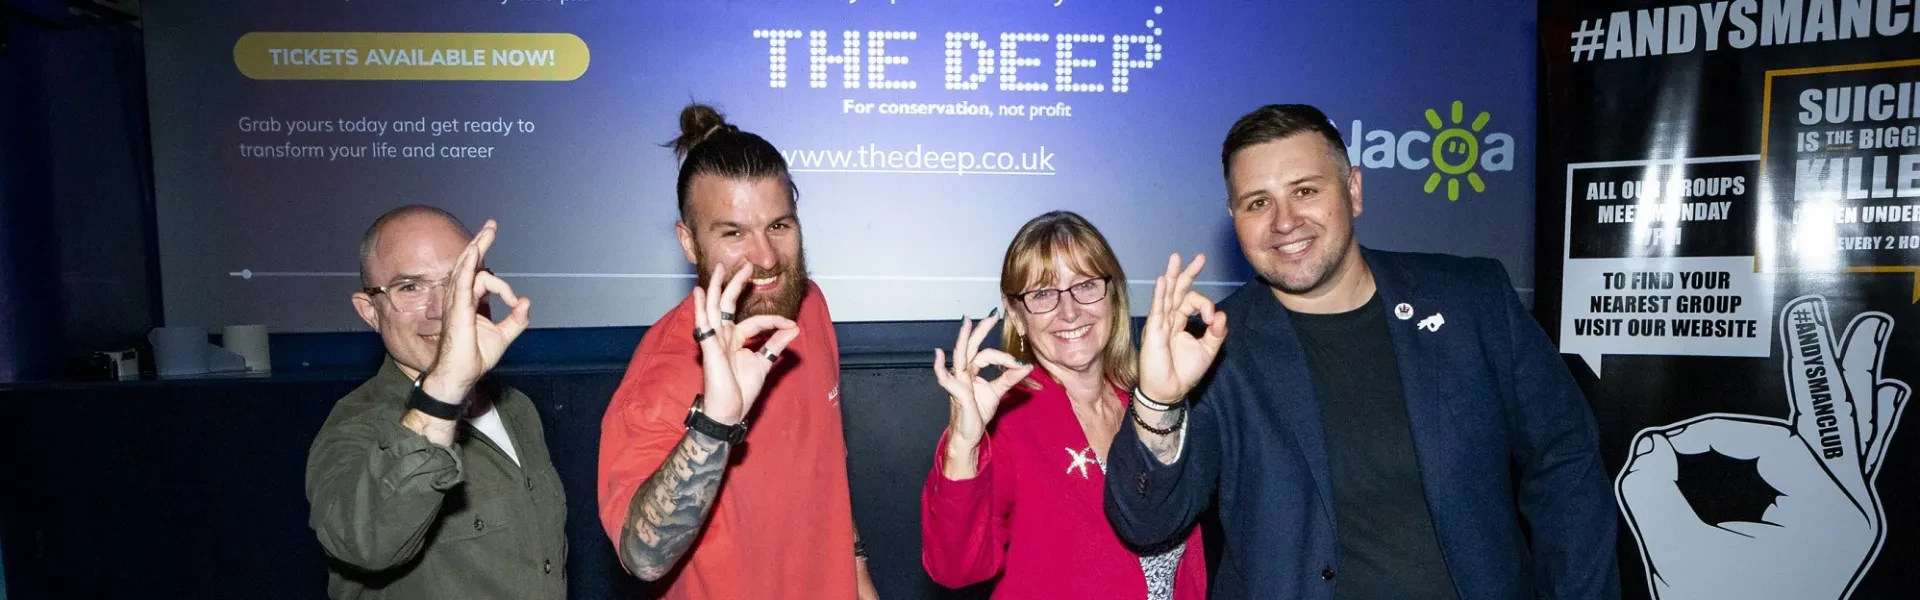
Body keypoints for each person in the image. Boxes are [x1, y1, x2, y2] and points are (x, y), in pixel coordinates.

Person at [1103, 104, 1620, 599]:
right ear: (1234, 217)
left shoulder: (1472, 299)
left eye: (1304, 190)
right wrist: (1157, 402)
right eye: (1257, 202)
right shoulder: (1215, 347)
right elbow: (1146, 522)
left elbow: (1565, 466)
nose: (1284, 221)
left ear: (1353, 190)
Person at [597, 104, 879, 599]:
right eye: (733, 233)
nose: (766, 258)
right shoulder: (661, 373)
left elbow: (823, 471)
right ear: (689, 242)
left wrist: (857, 572)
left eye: (779, 226)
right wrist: (716, 422)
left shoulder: (808, 306)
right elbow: (641, 558)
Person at [921, 211, 1207, 599]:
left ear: (1113, 295)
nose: (1069, 311)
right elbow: (956, 568)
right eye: (1042, 294)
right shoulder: (1008, 423)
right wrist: (962, 446)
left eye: (1086, 286)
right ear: (1017, 315)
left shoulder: (1150, 403)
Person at [306, 206, 564, 599]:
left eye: (459, 281)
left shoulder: (516, 409)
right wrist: (444, 391)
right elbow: (366, 544)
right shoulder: (357, 427)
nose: (443, 309)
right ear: (369, 311)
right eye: (410, 287)